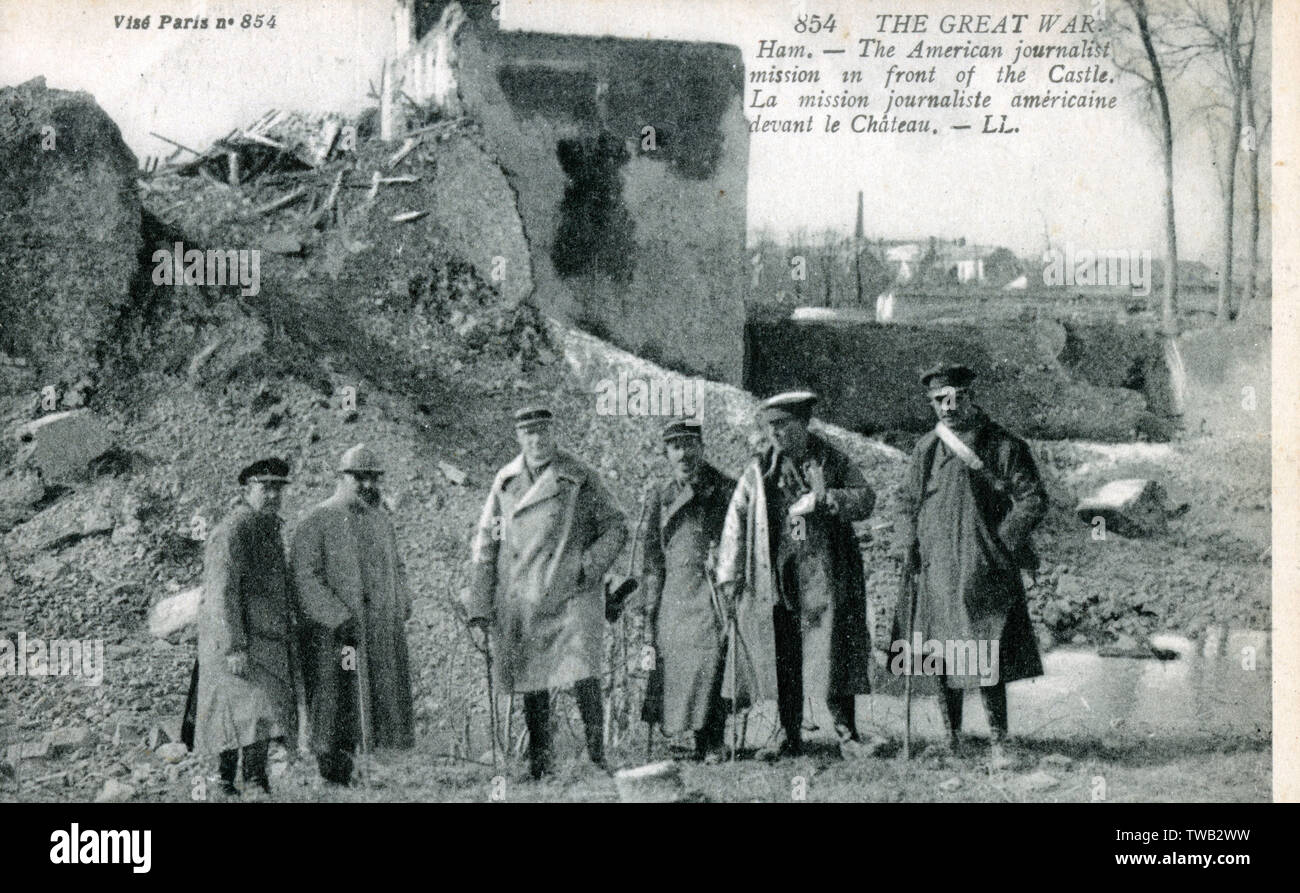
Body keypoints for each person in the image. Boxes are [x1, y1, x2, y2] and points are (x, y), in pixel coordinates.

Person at [888, 363, 1047, 768]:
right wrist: (907, 541)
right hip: (936, 566)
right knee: (941, 651)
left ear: (971, 398)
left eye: (955, 398)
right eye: (939, 400)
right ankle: (952, 738)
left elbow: (1032, 499)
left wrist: (1002, 541)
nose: (948, 407)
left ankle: (999, 742)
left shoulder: (1003, 445)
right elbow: (906, 500)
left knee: (985, 649)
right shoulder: (927, 448)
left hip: (982, 564)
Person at [716, 391, 877, 760]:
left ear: (803, 424)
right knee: (784, 653)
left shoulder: (832, 459)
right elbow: (736, 520)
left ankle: (847, 734)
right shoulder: (759, 470)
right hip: (778, 574)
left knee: (832, 652)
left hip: (824, 572)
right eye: (771, 427)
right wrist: (730, 573)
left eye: (783, 426)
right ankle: (789, 733)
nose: (776, 434)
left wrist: (826, 499)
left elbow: (865, 498)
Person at [468, 407, 628, 779]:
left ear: (554, 433)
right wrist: (480, 602)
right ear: (519, 438)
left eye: (542, 432)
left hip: (571, 592)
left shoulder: (579, 476)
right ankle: (541, 761)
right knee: (531, 676)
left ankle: (596, 757)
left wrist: (586, 568)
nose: (537, 441)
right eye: (528, 434)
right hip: (524, 593)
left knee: (584, 672)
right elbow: (487, 542)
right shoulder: (505, 481)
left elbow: (616, 526)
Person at [290, 444, 415, 786]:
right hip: (336, 639)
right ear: (342, 478)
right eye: (360, 478)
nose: (369, 486)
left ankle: (367, 770)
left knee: (377, 701)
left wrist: (402, 601)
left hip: (376, 633)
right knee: (337, 699)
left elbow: (397, 567)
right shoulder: (316, 521)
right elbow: (304, 576)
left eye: (374, 479)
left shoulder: (381, 522)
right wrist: (337, 617)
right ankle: (334, 773)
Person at [194, 457, 300, 797]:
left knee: (261, 713)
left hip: (265, 640)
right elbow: (221, 593)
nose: (272, 495)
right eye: (264, 488)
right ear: (246, 490)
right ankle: (226, 783)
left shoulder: (268, 529)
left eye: (277, 489)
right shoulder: (232, 531)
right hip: (236, 643)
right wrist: (233, 645)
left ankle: (255, 780)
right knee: (235, 712)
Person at [637, 419, 736, 763]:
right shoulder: (660, 496)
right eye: (676, 446)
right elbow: (650, 553)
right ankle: (682, 736)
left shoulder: (724, 489)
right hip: (673, 592)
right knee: (671, 659)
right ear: (667, 453)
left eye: (690, 444)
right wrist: (649, 603)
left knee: (711, 655)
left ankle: (711, 738)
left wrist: (721, 560)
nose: (684, 453)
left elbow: (739, 537)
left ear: (702, 448)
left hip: (710, 586)